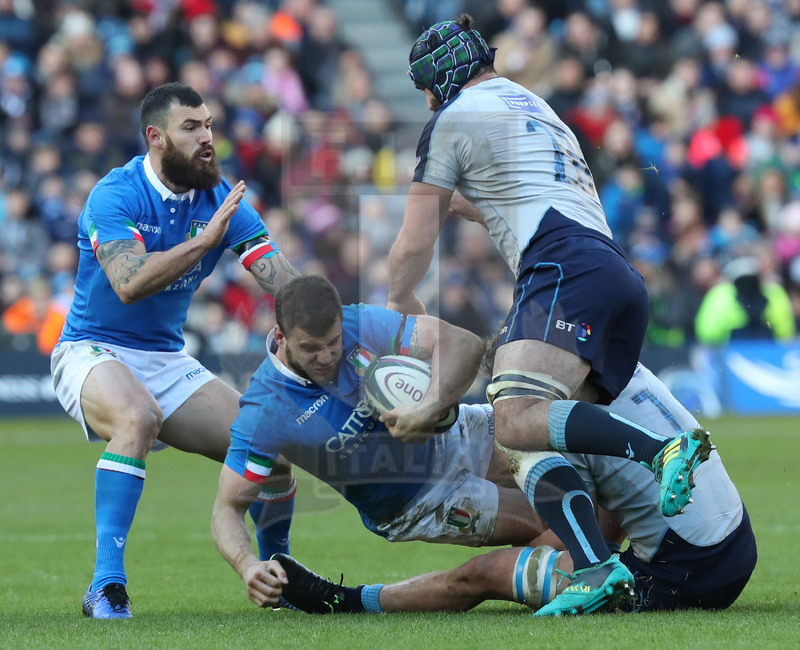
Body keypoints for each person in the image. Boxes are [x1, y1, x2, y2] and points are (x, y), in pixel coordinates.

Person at [386, 15, 712, 616]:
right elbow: (511, 198)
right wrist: (461, 203)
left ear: (442, 80)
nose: (427, 102)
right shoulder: (530, 103)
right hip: (614, 273)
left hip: (563, 269)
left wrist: (400, 300)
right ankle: (593, 568)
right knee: (535, 437)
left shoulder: (451, 119)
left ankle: (661, 451)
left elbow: (412, 242)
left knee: (512, 412)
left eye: (426, 88)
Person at [50, 82, 300, 620]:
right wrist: (203, 242)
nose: (207, 137)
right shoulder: (114, 195)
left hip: (165, 358)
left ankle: (282, 579)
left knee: (274, 456)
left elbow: (284, 282)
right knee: (137, 416)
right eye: (192, 127)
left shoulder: (221, 198)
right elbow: (128, 282)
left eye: (209, 124)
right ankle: (106, 586)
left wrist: (338, 326)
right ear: (155, 136)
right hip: (91, 349)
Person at [274, 361, 757, 615]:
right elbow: (611, 516)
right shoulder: (621, 371)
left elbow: (602, 521)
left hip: (684, 574)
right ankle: (570, 565)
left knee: (481, 574)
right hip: (735, 543)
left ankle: (350, 601)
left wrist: (517, 564)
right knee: (550, 539)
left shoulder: (548, 414)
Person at [211, 275, 554, 609]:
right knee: (549, 518)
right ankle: (368, 599)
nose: (327, 357)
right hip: (419, 499)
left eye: (333, 343)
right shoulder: (264, 410)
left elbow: (465, 344)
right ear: (281, 336)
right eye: (311, 349)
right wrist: (247, 565)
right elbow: (227, 508)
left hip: (456, 432)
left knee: (572, 469)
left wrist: (430, 407)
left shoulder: (358, 322)